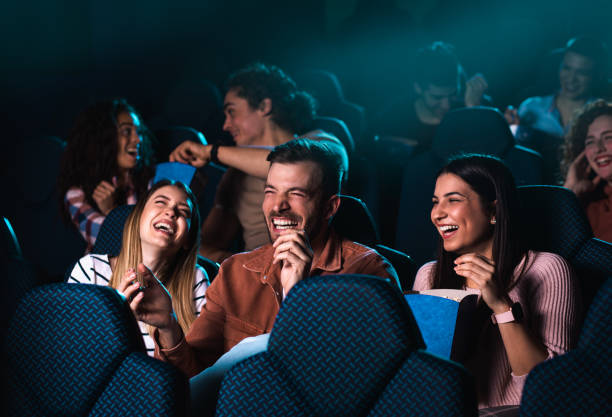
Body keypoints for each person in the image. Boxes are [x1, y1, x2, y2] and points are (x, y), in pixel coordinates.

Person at [124, 139, 398, 377]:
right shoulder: (236, 271)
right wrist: (168, 325)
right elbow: (193, 379)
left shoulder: (368, 274)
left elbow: (350, 386)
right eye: (270, 191)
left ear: (329, 207)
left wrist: (297, 296)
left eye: (296, 193)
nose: (278, 205)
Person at [413, 154, 580, 408]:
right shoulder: (429, 275)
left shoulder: (547, 269)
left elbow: (550, 390)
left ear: (493, 210)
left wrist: (501, 306)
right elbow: (422, 383)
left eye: (453, 200)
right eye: (436, 202)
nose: (437, 214)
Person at [169, 63, 348, 263]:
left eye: (232, 112)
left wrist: (211, 152)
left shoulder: (323, 142)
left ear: (264, 106)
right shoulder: (235, 173)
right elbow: (208, 246)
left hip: (318, 269)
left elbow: (295, 162)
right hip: (258, 277)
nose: (226, 125)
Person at [68, 180, 209, 357]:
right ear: (138, 218)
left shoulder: (196, 279)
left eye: (183, 211)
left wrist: (168, 327)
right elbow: (72, 357)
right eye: (160, 202)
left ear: (187, 240)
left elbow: (199, 372)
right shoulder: (90, 269)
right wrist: (116, 319)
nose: (171, 212)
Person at [58, 99, 156, 252]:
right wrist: (114, 212)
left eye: (139, 132)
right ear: (103, 139)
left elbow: (158, 243)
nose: (137, 139)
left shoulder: (151, 182)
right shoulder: (76, 195)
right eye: (126, 131)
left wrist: (111, 210)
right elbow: (112, 243)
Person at [510, 36, 609, 182]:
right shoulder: (532, 107)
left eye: (582, 73)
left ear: (596, 76)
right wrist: (512, 128)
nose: (571, 78)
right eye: (567, 68)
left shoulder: (602, 114)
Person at [371, 41, 490, 152]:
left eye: (452, 95)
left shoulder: (475, 105)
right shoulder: (394, 118)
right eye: (437, 97)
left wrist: (474, 110)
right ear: (418, 88)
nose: (446, 105)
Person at [562, 99, 612, 242]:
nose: (598, 148)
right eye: (590, 142)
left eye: (608, 137)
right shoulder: (585, 203)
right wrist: (570, 191)